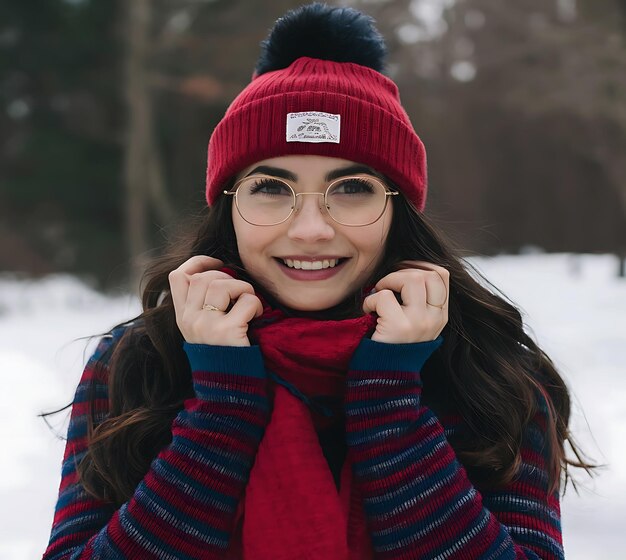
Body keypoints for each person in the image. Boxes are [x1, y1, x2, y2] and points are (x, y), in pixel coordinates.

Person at [43, 3, 592, 559]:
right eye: (271, 189)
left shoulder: (489, 370)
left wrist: (390, 405)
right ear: (228, 209)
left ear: (397, 209)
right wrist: (222, 410)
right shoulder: (140, 362)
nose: (309, 230)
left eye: (351, 188)